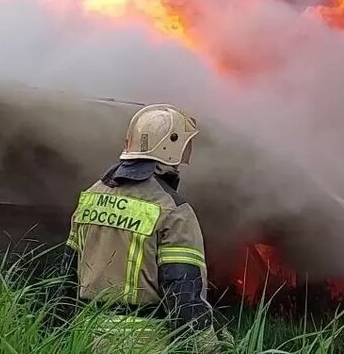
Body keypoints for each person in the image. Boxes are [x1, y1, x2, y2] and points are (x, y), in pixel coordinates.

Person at [58, 103, 226, 352]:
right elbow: (183, 293)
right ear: (171, 147)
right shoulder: (173, 211)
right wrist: (208, 347)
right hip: (143, 341)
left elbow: (65, 279)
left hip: (85, 335)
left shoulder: (91, 196)